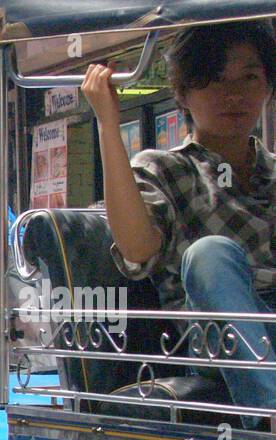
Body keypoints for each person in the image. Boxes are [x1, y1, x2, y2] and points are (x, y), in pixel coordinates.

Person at [87, 22, 276, 411]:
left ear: (268, 88)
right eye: (213, 81)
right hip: (217, 336)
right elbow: (137, 249)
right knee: (210, 253)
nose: (233, 95)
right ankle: (269, 414)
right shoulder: (165, 169)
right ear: (184, 94)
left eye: (249, 78)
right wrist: (108, 122)